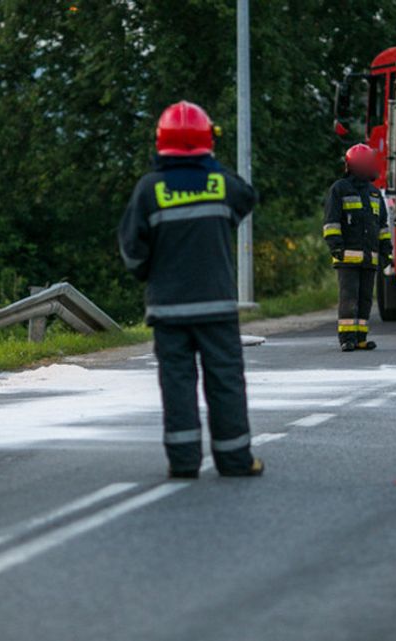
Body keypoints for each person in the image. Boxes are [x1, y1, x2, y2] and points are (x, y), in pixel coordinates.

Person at [118, 100, 265, 479]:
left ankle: (183, 463)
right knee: (225, 381)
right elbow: (247, 196)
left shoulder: (150, 188)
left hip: (168, 310)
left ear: (160, 142)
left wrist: (150, 274)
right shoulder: (219, 185)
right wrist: (210, 165)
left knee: (177, 384)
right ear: (207, 142)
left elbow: (133, 251)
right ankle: (235, 460)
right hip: (216, 307)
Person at [323, 143, 393, 351]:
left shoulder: (373, 194)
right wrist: (336, 247)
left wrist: (386, 250)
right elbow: (331, 222)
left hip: (369, 258)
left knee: (364, 301)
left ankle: (361, 338)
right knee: (349, 299)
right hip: (347, 258)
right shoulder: (340, 189)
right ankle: (347, 339)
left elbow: (382, 226)